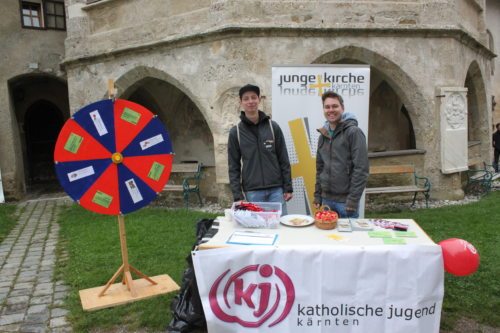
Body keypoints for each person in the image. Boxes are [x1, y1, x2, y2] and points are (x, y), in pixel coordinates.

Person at [228, 84, 293, 214]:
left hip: (276, 190)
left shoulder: (273, 127)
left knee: (280, 228)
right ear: (241, 102)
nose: (250, 101)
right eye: (246, 98)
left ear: (259, 99)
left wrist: (287, 187)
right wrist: (237, 195)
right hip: (252, 191)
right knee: (257, 229)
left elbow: (283, 159)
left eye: (253, 97)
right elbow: (233, 167)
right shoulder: (236, 132)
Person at [314, 91, 369, 218]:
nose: (331, 110)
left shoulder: (353, 132)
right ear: (323, 109)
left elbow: (361, 169)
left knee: (349, 238)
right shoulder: (323, 136)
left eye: (335, 106)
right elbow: (320, 169)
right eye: (327, 107)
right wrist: (318, 195)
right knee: (328, 237)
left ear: (342, 108)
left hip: (346, 202)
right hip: (326, 200)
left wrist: (353, 200)